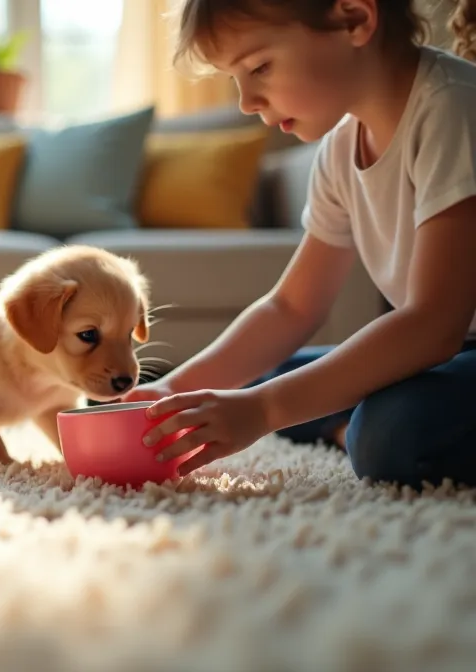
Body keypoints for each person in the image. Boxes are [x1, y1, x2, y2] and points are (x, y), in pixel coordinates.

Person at [122, 0, 476, 490]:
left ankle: (353, 430)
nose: (245, 101)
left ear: (354, 19)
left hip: (450, 342)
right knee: (281, 372)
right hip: (450, 353)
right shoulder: (338, 148)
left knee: (388, 434)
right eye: (234, 79)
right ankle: (343, 425)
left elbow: (433, 324)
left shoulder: (453, 107)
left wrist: (265, 409)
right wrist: (174, 389)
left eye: (259, 67)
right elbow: (291, 307)